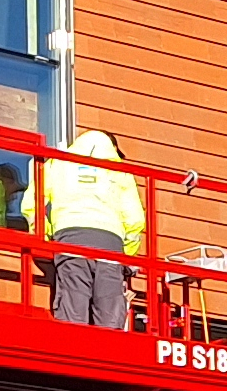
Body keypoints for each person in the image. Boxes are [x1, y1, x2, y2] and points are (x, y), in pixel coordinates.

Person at [34, 129, 147, 329]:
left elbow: (33, 205)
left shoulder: (57, 163)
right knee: (109, 313)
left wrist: (47, 239)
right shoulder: (119, 169)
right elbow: (134, 220)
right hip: (111, 244)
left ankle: (71, 351)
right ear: (113, 148)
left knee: (72, 307)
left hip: (70, 237)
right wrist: (126, 256)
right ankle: (110, 354)